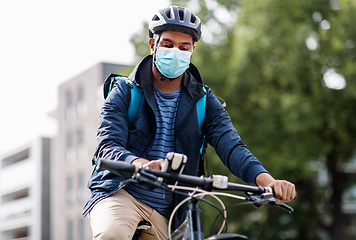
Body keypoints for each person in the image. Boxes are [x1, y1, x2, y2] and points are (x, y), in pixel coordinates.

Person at [83, 5, 296, 240]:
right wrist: (140, 164)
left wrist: (269, 182)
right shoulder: (125, 92)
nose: (176, 51)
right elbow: (107, 146)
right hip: (120, 193)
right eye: (167, 44)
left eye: (184, 47)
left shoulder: (204, 101)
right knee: (112, 234)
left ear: (193, 50)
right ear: (153, 45)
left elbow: (232, 147)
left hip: (170, 210)